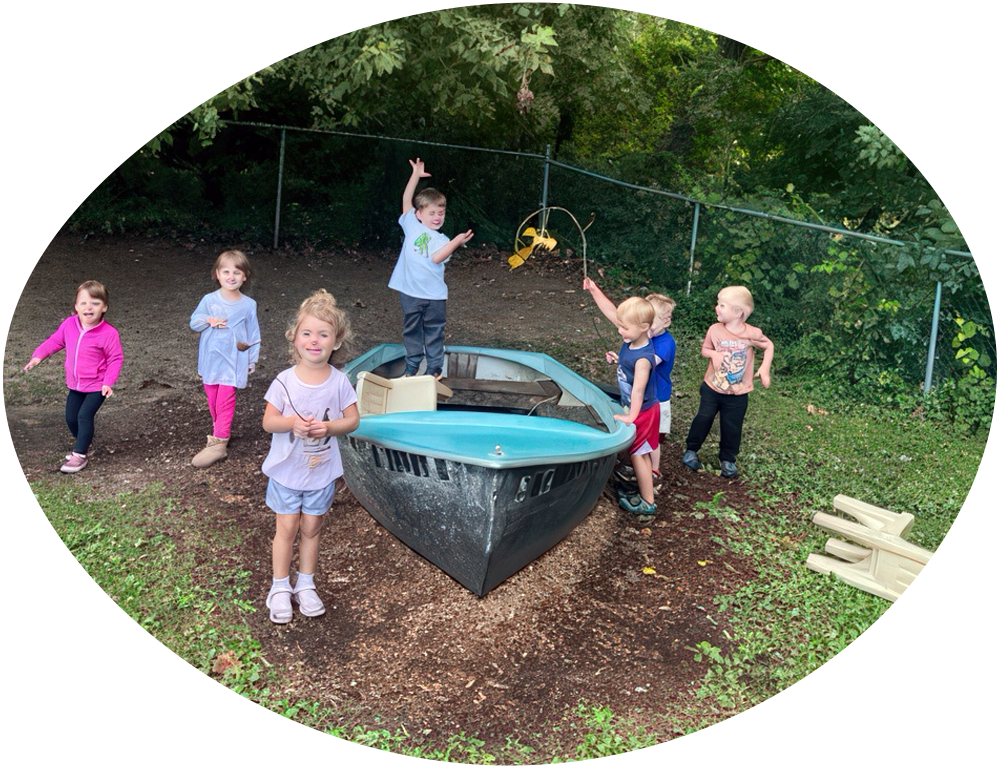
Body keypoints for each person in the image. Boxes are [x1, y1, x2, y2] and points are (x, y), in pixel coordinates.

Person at [261, 289, 360, 624]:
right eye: (307, 333)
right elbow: (269, 421)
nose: (314, 340)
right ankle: (279, 587)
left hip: (320, 472)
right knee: (287, 526)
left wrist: (329, 428)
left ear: (336, 341)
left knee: (313, 526)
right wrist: (293, 424)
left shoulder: (340, 381)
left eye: (323, 334)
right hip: (288, 471)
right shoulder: (284, 381)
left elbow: (352, 420)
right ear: (294, 338)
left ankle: (305, 583)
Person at [23, 280, 123, 474]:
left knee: (84, 415)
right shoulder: (69, 325)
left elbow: (115, 358)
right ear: (76, 307)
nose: (88, 307)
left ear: (104, 307)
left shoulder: (109, 333)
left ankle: (80, 454)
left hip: (97, 385)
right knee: (71, 418)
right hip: (75, 384)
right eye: (83, 303)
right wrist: (38, 356)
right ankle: (83, 443)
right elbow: (55, 341)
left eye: (95, 303)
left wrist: (108, 382)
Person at [387, 157, 474, 378]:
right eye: (432, 213)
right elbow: (407, 198)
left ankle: (434, 369)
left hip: (435, 296)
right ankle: (412, 365)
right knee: (412, 331)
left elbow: (437, 257)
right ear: (419, 214)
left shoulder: (442, 239)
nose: (437, 217)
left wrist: (455, 242)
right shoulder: (410, 225)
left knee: (434, 332)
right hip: (411, 293)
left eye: (441, 213)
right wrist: (415, 175)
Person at [584, 278, 676, 483]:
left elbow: (645, 365)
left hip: (655, 399)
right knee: (640, 438)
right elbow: (613, 313)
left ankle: (654, 472)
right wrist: (594, 290)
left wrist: (625, 360)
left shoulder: (663, 343)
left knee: (652, 440)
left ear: (664, 322)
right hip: (637, 398)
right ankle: (635, 467)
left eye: (653, 321)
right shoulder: (639, 333)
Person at [683, 285, 774, 479]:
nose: (717, 308)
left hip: (738, 392)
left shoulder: (751, 333)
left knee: (732, 425)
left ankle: (728, 460)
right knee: (704, 418)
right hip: (712, 387)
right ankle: (691, 450)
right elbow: (705, 349)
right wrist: (714, 354)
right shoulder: (714, 330)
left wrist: (764, 369)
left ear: (738, 312)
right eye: (718, 304)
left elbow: (768, 345)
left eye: (722, 305)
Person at [189, 250, 260, 467]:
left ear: (244, 276)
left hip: (234, 360)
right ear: (217, 274)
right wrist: (208, 320)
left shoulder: (248, 305)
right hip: (211, 360)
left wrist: (251, 359)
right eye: (226, 271)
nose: (231, 276)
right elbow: (194, 323)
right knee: (212, 399)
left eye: (237, 272)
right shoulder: (209, 300)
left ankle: (219, 442)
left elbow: (254, 334)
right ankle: (219, 429)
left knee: (225, 399)